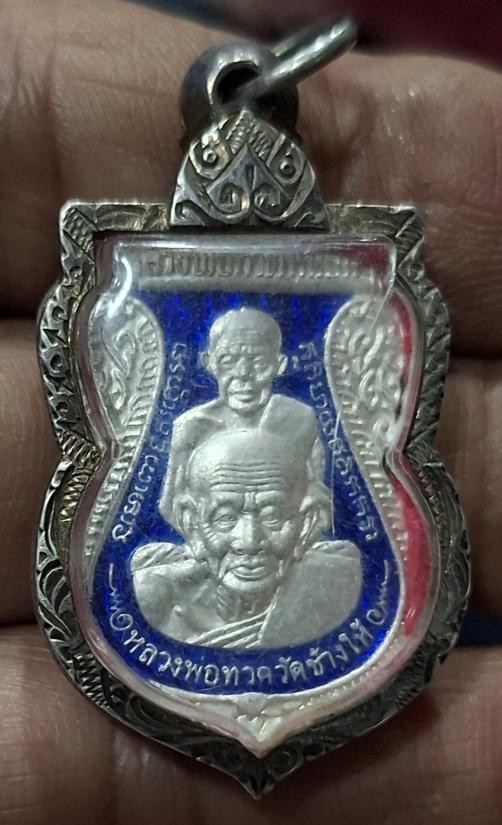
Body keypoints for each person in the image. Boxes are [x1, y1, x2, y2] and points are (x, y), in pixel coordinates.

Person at [132, 428, 361, 648]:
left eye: (273, 516)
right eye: (225, 518)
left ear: (307, 523)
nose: (249, 542)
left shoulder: (338, 587)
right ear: (191, 522)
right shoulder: (157, 600)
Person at [159, 306, 325, 526]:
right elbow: (171, 506)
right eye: (228, 361)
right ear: (209, 363)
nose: (243, 373)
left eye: (258, 361)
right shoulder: (192, 426)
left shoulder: (297, 420)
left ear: (279, 365)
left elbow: (316, 501)